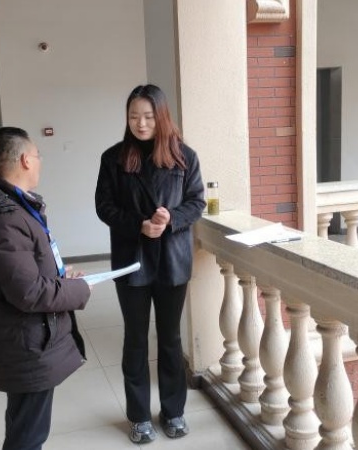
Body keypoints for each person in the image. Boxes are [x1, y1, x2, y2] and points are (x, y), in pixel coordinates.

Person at [0, 126, 91, 450]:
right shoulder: (5, 218)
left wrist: (61, 278)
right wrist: (79, 290)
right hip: (26, 343)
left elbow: (25, 271)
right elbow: (28, 292)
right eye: (38, 155)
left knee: (23, 424)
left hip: (25, 339)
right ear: (25, 160)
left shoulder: (14, 206)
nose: (39, 162)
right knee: (28, 436)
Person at [95, 84, 206, 444]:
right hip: (132, 260)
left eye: (147, 116)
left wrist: (171, 219)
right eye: (133, 116)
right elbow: (104, 207)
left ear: (161, 117)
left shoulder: (185, 156)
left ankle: (173, 411)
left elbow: (196, 202)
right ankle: (139, 416)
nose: (140, 124)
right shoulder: (113, 158)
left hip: (172, 260)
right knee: (135, 339)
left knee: (171, 339)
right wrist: (138, 224)